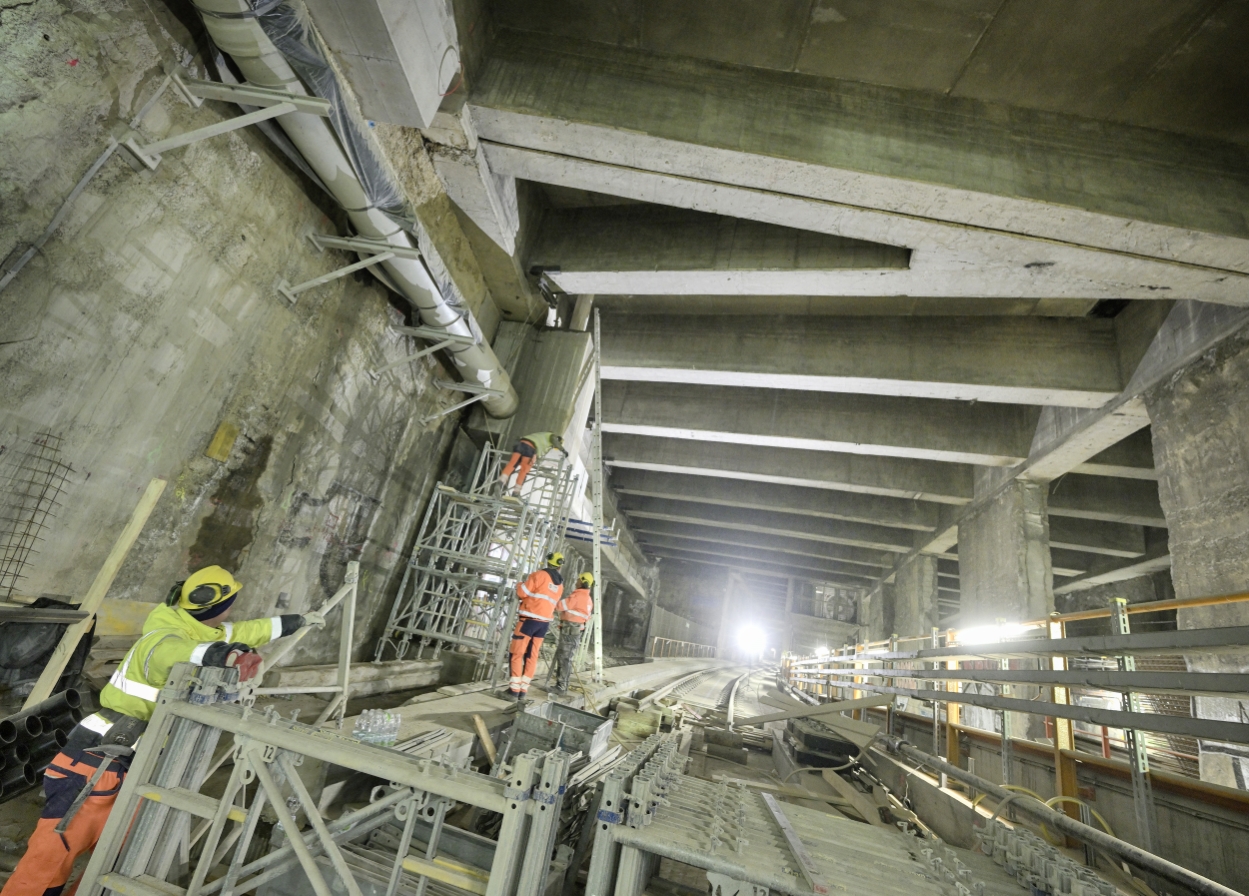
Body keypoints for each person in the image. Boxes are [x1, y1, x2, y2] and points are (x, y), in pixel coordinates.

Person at [0, 565, 324, 896]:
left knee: (114, 863)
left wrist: (295, 623)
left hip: (138, 760)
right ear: (221, 606)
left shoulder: (200, 626)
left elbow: (246, 630)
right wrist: (225, 657)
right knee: (49, 862)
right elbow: (177, 654)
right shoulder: (163, 639)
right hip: (97, 761)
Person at [507, 552, 564, 699]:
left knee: (516, 653)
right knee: (532, 656)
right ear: (559, 565)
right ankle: (523, 691)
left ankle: (513, 690)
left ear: (548, 562)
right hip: (543, 624)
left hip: (529, 620)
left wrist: (519, 583)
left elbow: (522, 592)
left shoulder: (539, 575)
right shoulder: (560, 585)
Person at [550, 572, 594, 694]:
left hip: (569, 630)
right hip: (575, 631)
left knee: (564, 658)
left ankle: (561, 686)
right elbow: (586, 617)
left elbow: (559, 606)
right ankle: (562, 684)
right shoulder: (588, 599)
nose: (576, 581)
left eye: (578, 580)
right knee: (566, 658)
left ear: (583, 582)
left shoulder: (577, 597)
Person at [498, 432, 566, 496]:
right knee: (524, 470)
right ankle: (516, 492)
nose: (554, 447)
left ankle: (500, 482)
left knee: (512, 463)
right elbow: (554, 440)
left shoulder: (543, 436)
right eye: (556, 446)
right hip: (529, 448)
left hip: (520, 444)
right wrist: (563, 450)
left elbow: (538, 455)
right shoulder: (552, 436)